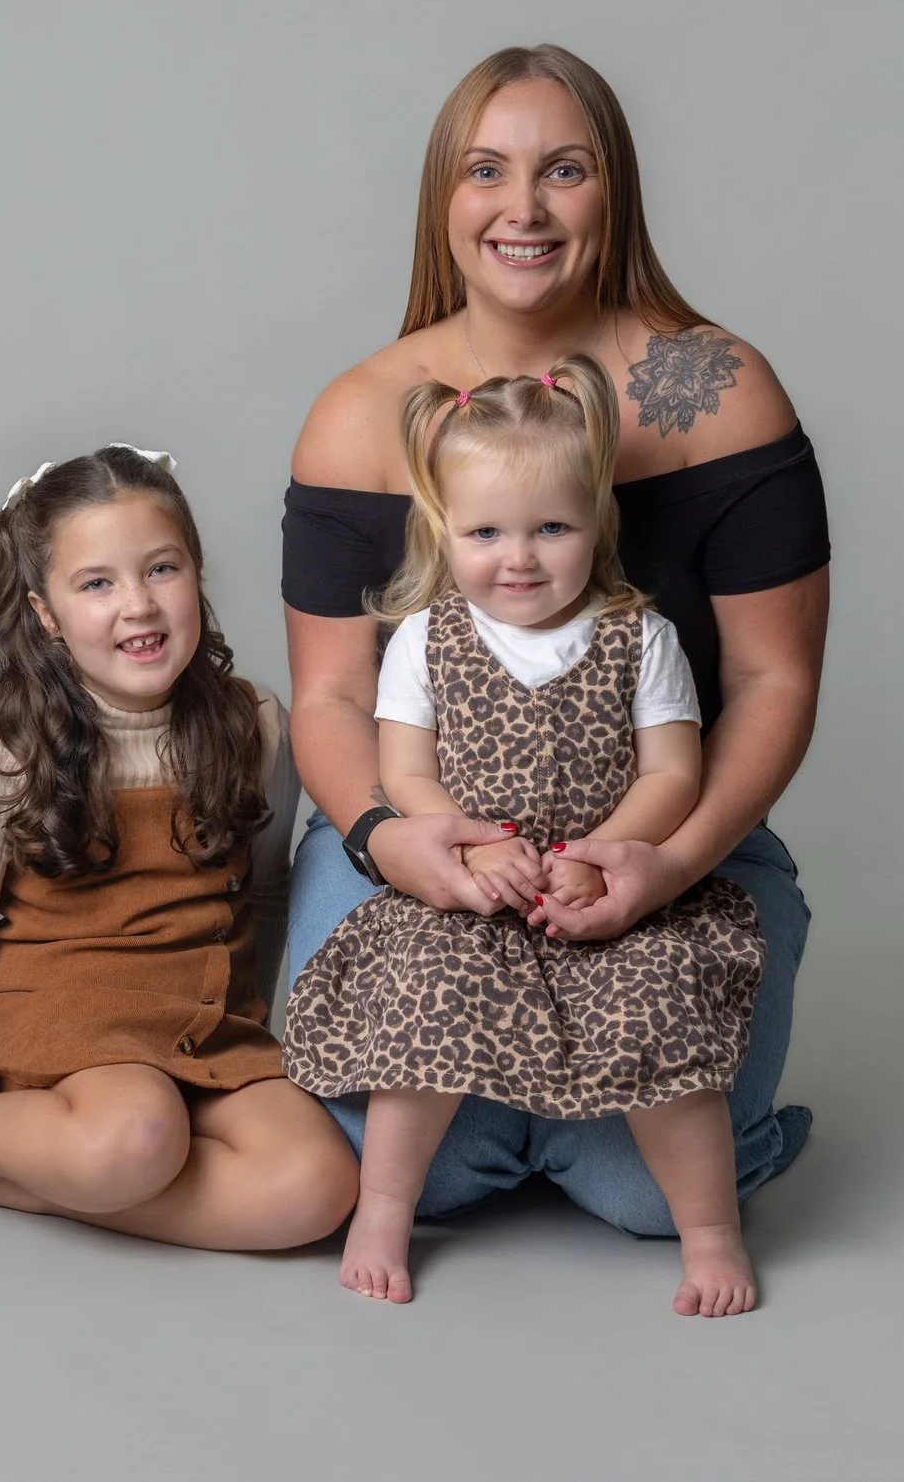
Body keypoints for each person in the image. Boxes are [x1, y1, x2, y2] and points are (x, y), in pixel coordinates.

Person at [281, 43, 830, 1243]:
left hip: (653, 814)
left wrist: (667, 861)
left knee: (648, 1193)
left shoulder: (716, 390)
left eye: (563, 170)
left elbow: (771, 676)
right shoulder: (362, 414)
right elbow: (327, 698)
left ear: (614, 191)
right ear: (443, 198)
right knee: (389, 1168)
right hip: (422, 816)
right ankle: (504, 1100)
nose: (521, 208)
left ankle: (656, 1110)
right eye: (486, 170)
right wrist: (391, 835)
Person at [283, 363, 765, 1313]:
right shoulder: (428, 636)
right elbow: (407, 770)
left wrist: (608, 852)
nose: (521, 557)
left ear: (597, 521)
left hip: (603, 884)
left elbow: (673, 772)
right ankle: (384, 1209)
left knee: (657, 1010)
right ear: (443, 529)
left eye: (553, 527)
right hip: (474, 884)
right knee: (427, 997)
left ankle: (712, 1235)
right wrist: (456, 844)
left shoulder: (638, 637)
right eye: (486, 531)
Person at [0, 447, 359, 1249]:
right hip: (66, 1034)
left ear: (198, 573)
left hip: (206, 1031)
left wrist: (245, 1017)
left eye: (161, 569)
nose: (137, 605)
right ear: (44, 613)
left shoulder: (257, 726)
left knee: (319, 1185)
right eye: (97, 583)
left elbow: (266, 894)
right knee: (136, 1137)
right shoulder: (9, 751)